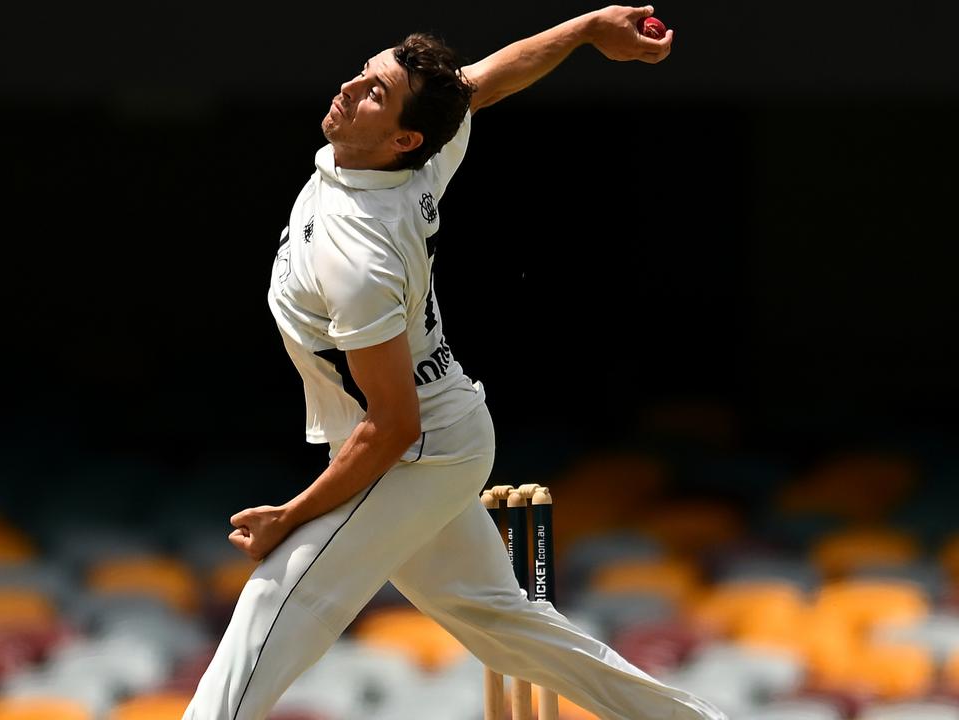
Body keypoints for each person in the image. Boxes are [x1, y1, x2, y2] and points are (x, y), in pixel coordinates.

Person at [184, 6, 725, 719]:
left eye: (374, 91)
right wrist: (591, 28)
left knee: (281, 594)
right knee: (507, 627)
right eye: (364, 72)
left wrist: (292, 514)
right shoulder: (413, 152)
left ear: (403, 136)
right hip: (442, 429)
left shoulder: (360, 253)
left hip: (419, 449)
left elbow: (394, 425)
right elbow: (489, 79)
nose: (349, 88)